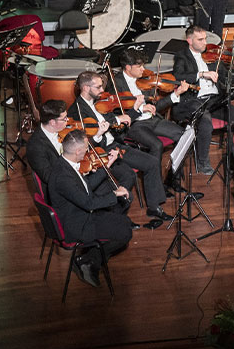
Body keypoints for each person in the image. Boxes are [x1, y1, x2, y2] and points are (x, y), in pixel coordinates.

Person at [68, 71, 169, 224]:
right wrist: (100, 134)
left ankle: (154, 207)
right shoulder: (77, 111)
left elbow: (118, 123)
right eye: (98, 87)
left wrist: (135, 110)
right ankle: (117, 217)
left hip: (115, 145)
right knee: (128, 175)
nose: (103, 90)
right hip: (100, 153)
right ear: (86, 88)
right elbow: (83, 145)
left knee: (152, 162)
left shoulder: (98, 103)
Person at [46, 131, 134, 288]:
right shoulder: (63, 177)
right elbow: (89, 203)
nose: (88, 151)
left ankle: (88, 260)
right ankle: (88, 261)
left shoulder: (65, 164)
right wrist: (115, 193)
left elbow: (85, 188)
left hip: (78, 214)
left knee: (125, 221)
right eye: (86, 148)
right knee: (125, 233)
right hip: (76, 225)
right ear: (78, 151)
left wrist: (106, 165)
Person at [170, 25, 234, 174]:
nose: (205, 43)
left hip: (215, 99)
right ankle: (202, 163)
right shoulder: (182, 56)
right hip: (194, 100)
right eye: (200, 39)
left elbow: (227, 79)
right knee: (205, 121)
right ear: (189, 40)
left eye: (205, 39)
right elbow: (178, 77)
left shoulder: (213, 56)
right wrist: (202, 74)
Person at [107, 52, 188, 162]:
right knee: (157, 145)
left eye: (143, 66)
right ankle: (154, 177)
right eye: (139, 66)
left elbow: (156, 107)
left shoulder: (146, 79)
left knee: (184, 136)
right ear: (128, 67)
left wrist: (176, 93)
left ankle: (174, 176)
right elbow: (116, 112)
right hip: (134, 125)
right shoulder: (115, 84)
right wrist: (140, 109)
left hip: (152, 120)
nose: (143, 69)